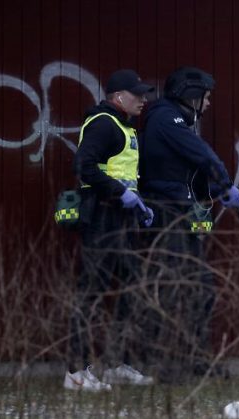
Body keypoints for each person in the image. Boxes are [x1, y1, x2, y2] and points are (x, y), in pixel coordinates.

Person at [139, 66, 239, 379]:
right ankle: (168, 365)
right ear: (191, 95)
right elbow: (202, 155)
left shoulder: (174, 122)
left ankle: (198, 360)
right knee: (174, 289)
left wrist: (216, 192)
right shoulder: (165, 118)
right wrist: (226, 184)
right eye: (206, 97)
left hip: (180, 212)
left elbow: (184, 176)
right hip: (167, 214)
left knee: (200, 288)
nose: (209, 104)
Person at [65, 69, 157, 390]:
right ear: (118, 96)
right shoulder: (104, 124)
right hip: (102, 219)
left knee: (131, 291)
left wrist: (139, 205)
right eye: (137, 95)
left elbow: (123, 174)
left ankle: (118, 363)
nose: (143, 100)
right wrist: (122, 194)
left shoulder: (123, 126)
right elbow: (84, 167)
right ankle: (76, 373)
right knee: (91, 294)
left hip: (122, 221)